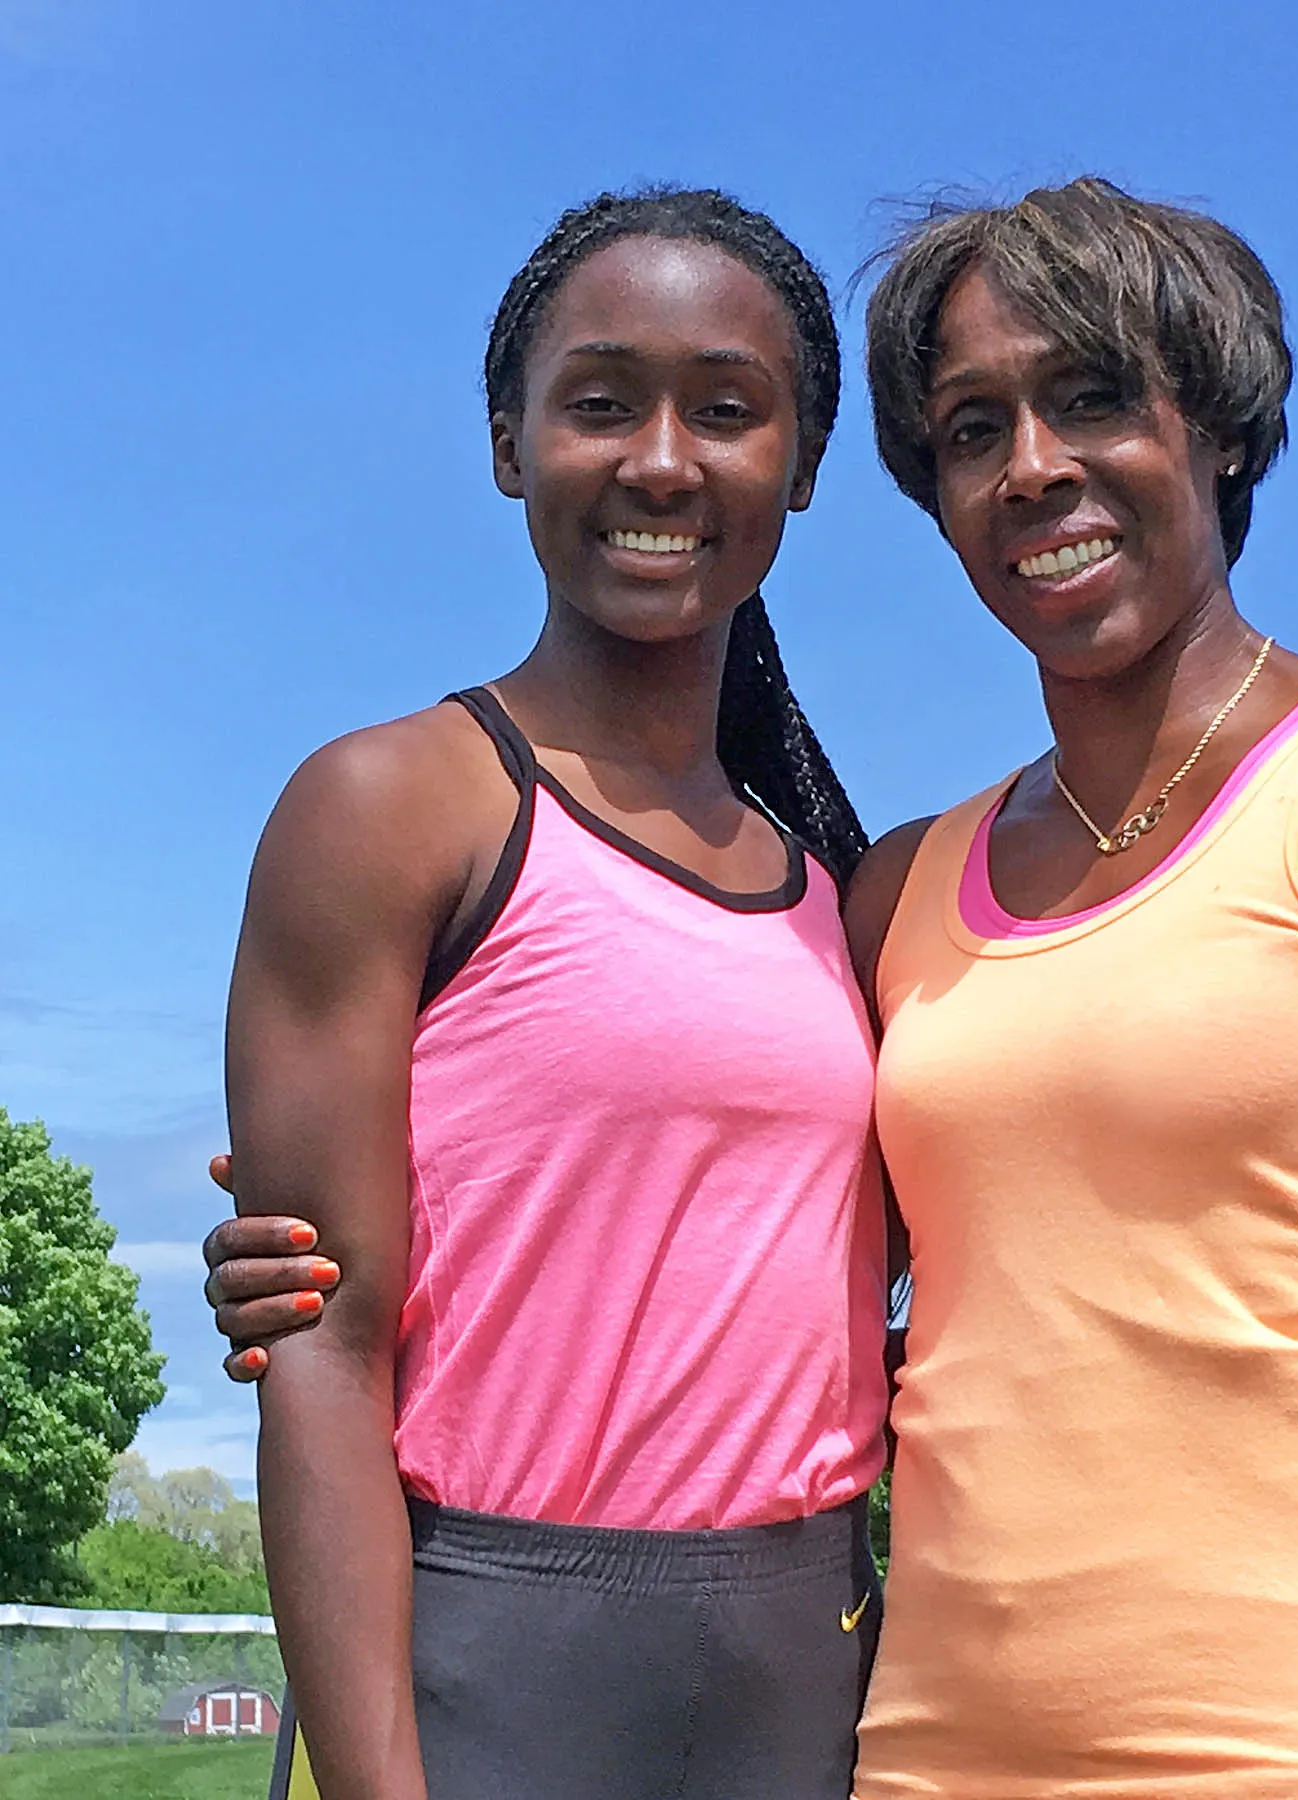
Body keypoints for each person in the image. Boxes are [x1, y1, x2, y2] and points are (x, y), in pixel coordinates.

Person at [209, 178, 1298, 1799]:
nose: (1034, 468)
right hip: (916, 1749)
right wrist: (306, 1248)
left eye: (1094, 396)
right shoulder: (891, 892)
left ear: (1225, 427)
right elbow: (674, 1189)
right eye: (970, 430)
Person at [215, 187, 890, 1800]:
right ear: (512, 445)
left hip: (811, 1671)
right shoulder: (394, 807)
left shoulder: (846, 902)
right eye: (599, 403)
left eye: (728, 412)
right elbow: (321, 1340)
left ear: (800, 469)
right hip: (478, 1659)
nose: (662, 461)